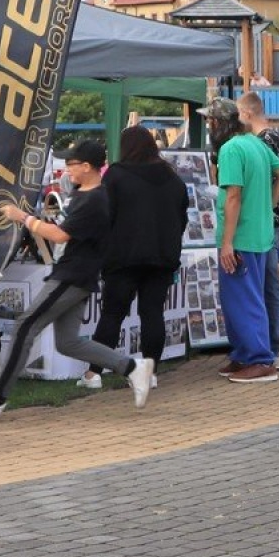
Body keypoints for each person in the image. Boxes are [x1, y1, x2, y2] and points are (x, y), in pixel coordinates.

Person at [0, 142, 155, 419]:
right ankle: (133, 368)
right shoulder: (84, 194)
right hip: (75, 274)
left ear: (87, 167)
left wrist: (23, 217)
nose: (67, 169)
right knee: (67, 343)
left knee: (24, 327)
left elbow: (58, 236)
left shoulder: (95, 200)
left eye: (71, 164)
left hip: (72, 276)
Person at [81, 125, 190, 388]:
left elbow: (102, 215)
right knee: (152, 313)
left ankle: (94, 373)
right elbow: (182, 217)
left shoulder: (116, 176)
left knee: (112, 314)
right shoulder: (172, 178)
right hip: (162, 257)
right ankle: (149, 373)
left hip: (123, 258)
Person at [204, 97, 279, 383]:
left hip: (240, 238)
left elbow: (233, 195)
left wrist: (227, 242)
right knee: (247, 297)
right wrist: (267, 207)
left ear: (217, 123)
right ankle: (245, 354)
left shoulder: (230, 149)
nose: (207, 125)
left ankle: (259, 359)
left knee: (243, 300)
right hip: (260, 235)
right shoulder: (256, 143)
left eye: (209, 120)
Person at [237, 91, 279, 368]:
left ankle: (271, 348)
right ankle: (271, 346)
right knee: (268, 283)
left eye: (239, 113)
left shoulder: (264, 141)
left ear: (247, 114)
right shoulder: (277, 138)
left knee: (267, 283)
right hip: (277, 220)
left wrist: (267, 206)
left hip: (269, 222)